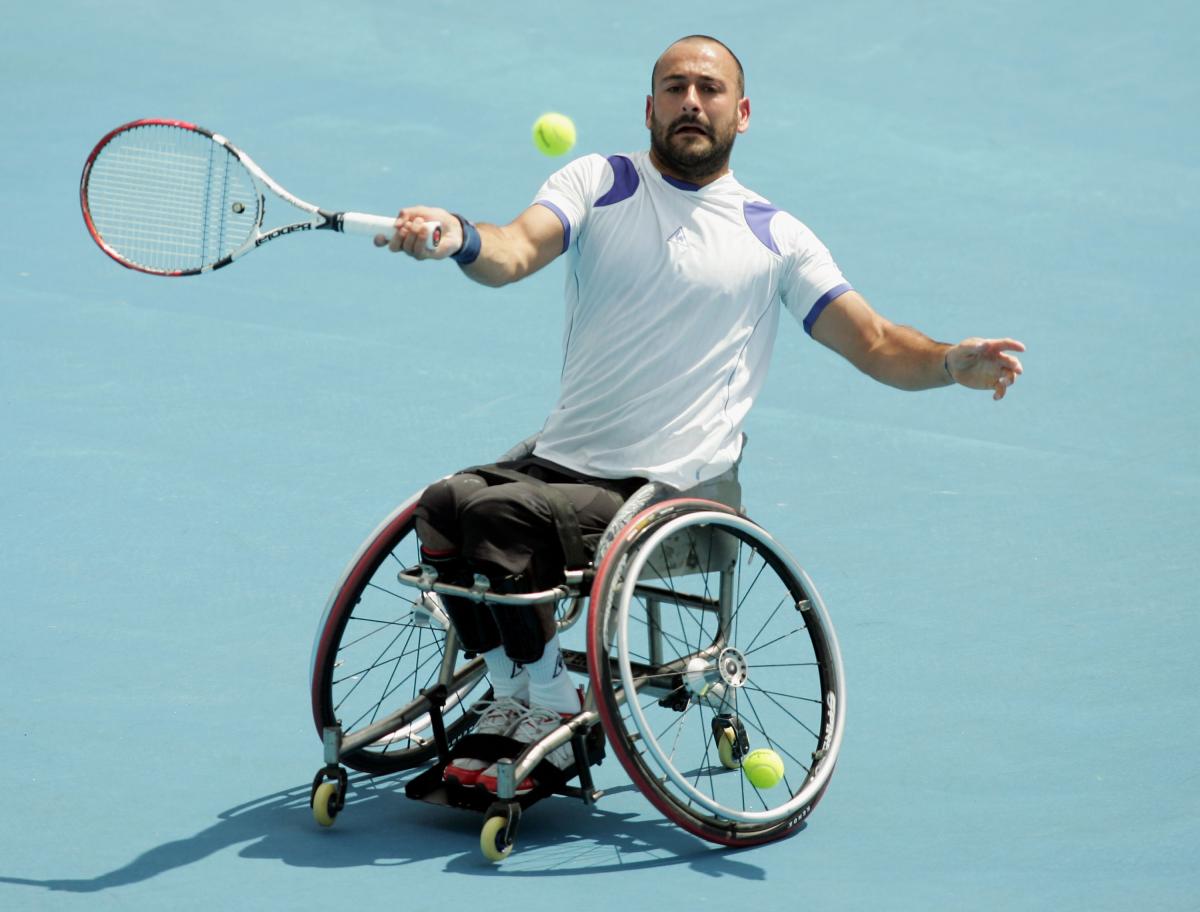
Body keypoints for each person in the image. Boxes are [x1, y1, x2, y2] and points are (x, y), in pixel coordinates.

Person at [375, 35, 1025, 795]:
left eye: (710, 89)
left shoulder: (775, 238)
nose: (692, 100)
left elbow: (877, 343)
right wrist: (457, 236)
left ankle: (552, 700)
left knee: (503, 520)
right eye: (675, 87)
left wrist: (949, 362)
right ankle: (521, 693)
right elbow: (514, 249)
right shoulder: (600, 182)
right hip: (559, 466)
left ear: (741, 113)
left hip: (665, 493)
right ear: (647, 109)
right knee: (447, 506)